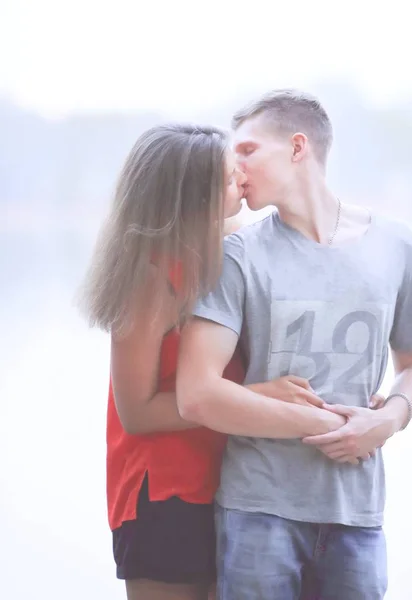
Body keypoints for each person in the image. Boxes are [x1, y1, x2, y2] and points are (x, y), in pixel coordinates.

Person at [176, 90, 412, 600]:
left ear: (298, 147)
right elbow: (197, 394)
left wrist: (389, 419)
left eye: (248, 150)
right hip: (258, 509)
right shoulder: (236, 256)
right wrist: (325, 424)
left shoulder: (398, 245)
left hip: (357, 510)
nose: (236, 167)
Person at [77, 123, 348, 600]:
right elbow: (136, 413)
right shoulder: (149, 278)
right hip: (163, 494)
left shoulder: (230, 249)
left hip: (232, 485)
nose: (242, 178)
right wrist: (248, 398)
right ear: (191, 197)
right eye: (227, 177)